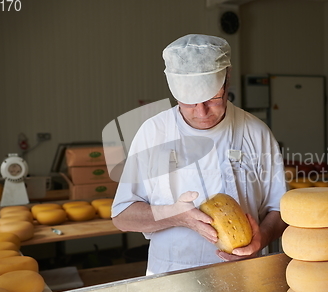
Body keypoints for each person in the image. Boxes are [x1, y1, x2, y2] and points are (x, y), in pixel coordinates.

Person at [111, 34, 287, 275]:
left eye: (213, 98)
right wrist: (175, 216)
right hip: (171, 275)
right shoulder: (154, 132)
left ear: (227, 78)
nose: (202, 112)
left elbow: (279, 209)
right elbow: (122, 216)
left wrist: (262, 238)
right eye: (189, 102)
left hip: (245, 275)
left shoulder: (255, 132)